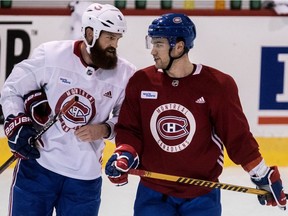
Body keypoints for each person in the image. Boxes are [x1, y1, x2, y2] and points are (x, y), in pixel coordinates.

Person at [105, 13, 287, 215]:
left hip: (202, 194)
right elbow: (130, 128)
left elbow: (237, 137)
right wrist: (124, 153)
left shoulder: (217, 85)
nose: (152, 51)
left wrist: (261, 174)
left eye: (159, 44)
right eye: (152, 43)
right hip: (152, 193)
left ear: (179, 47)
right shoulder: (141, 81)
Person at [0, 3, 136, 216]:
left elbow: (128, 121)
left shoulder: (125, 74)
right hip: (38, 168)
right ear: (91, 34)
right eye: (109, 38)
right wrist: (18, 126)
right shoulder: (52, 55)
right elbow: (12, 89)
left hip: (84, 179)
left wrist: (104, 129)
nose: (114, 45)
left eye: (117, 39)